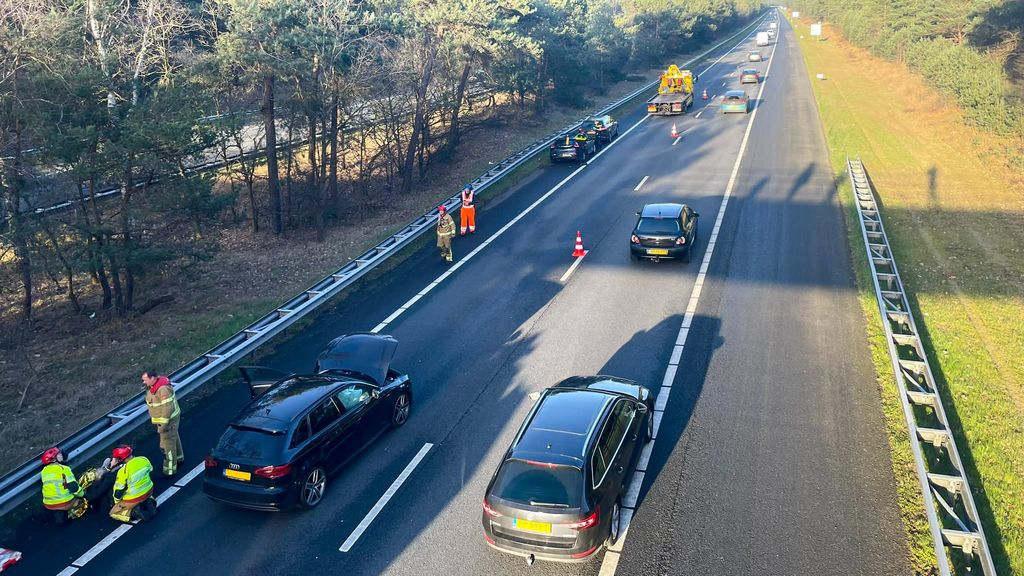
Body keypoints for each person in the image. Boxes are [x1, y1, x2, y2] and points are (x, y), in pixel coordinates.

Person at [143, 370, 183, 476]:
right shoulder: (155, 386)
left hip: (167, 422)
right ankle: (179, 458)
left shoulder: (163, 389)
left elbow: (167, 409)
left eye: (145, 380)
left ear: (153, 378)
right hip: (167, 421)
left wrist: (163, 426)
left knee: (167, 446)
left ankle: (169, 470)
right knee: (173, 438)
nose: (144, 382)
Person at [108, 445, 157, 523]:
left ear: (120, 459)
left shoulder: (123, 471)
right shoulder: (143, 459)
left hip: (135, 497)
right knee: (143, 497)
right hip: (149, 490)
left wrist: (117, 503)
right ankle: (148, 501)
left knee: (113, 513)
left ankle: (134, 512)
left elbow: (118, 492)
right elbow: (150, 469)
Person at [40, 447, 86, 525]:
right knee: (79, 500)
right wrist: (83, 494)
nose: (61, 455)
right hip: (64, 503)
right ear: (54, 459)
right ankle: (71, 513)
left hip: (48, 505)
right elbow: (73, 487)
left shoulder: (44, 471)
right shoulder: (64, 469)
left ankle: (57, 515)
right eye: (59, 454)